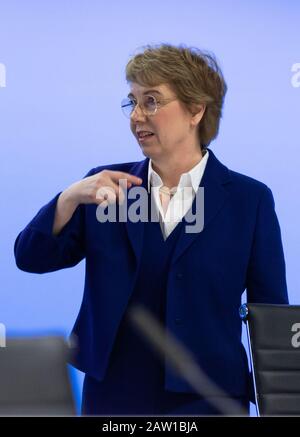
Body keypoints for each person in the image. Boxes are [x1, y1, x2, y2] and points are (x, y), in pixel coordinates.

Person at [14, 43, 289, 416]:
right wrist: (69, 198)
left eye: (152, 101)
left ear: (195, 110)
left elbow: (270, 313)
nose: (137, 115)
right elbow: (31, 258)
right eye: (133, 102)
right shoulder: (103, 187)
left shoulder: (249, 200)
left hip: (210, 397)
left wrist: (283, 403)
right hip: (114, 395)